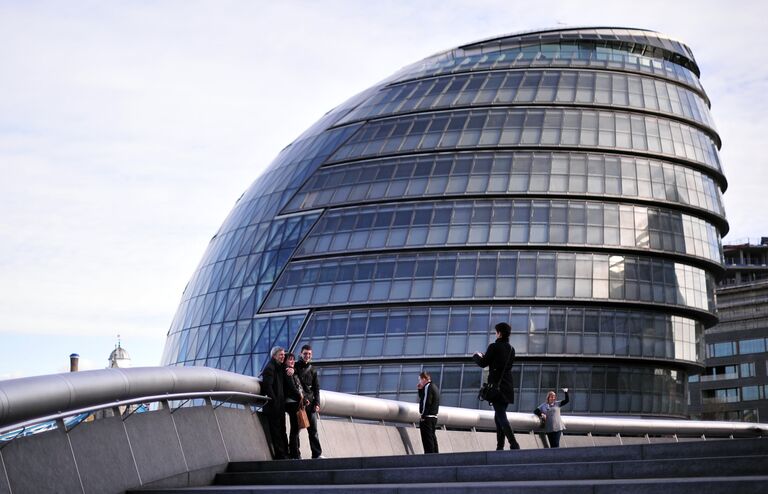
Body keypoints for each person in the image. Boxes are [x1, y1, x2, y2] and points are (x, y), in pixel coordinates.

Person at [472, 322, 520, 450]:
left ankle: (514, 444)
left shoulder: (494, 346)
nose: (495, 334)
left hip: (496, 389)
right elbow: (503, 364)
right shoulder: (511, 349)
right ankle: (500, 447)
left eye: (496, 332)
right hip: (507, 387)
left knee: (501, 417)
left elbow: (483, 363)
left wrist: (476, 355)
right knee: (498, 416)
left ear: (499, 333)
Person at [294, 344, 323, 458]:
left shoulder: (313, 369)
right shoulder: (295, 366)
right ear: (301, 354)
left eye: (309, 354)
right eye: (305, 353)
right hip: (300, 403)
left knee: (313, 431)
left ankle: (317, 454)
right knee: (296, 431)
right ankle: (297, 454)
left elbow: (316, 388)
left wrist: (317, 403)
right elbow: (295, 385)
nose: (307, 356)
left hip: (310, 404)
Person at [260, 346, 288, 459]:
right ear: (274, 356)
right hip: (273, 406)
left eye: (283, 355)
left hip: (279, 405)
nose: (283, 357)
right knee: (276, 431)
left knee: (282, 430)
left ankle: (285, 453)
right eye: (281, 355)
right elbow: (268, 387)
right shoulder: (270, 368)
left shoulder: (278, 367)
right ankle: (280, 455)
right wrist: (275, 401)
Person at [283, 353, 304, 459]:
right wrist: (301, 397)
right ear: (285, 361)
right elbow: (292, 388)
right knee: (295, 428)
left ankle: (296, 452)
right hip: (292, 403)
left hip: (295, 402)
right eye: (289, 359)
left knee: (296, 428)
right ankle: (295, 453)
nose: (292, 361)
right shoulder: (288, 372)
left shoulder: (292, 370)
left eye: (293, 360)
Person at [417, 371, 440, 454]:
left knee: (427, 439)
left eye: (420, 380)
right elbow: (424, 397)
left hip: (427, 417)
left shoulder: (428, 387)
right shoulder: (434, 386)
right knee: (432, 437)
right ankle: (435, 455)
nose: (419, 382)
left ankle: (429, 456)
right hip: (434, 416)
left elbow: (426, 402)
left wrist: (423, 416)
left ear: (424, 379)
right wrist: (420, 390)